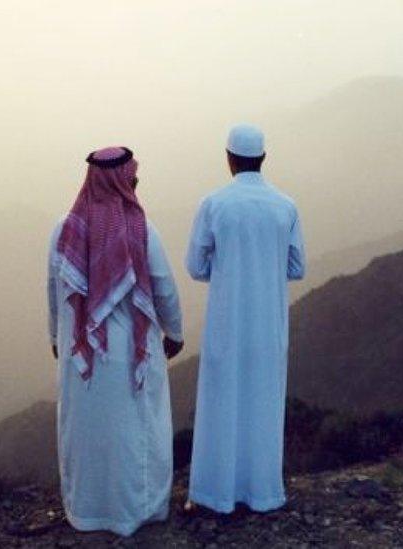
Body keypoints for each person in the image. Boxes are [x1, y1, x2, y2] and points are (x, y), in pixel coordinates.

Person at [47, 146, 184, 536]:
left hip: (81, 360)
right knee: (133, 434)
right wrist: (173, 333)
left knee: (87, 436)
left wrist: (56, 336)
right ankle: (138, 510)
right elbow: (164, 290)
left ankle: (87, 511)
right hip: (130, 355)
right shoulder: (142, 230)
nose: (136, 184)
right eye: (133, 178)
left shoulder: (64, 230)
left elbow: (54, 290)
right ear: (123, 181)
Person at [185, 124, 306, 513]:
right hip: (269, 323)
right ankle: (264, 493)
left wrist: (225, 272)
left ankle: (215, 494)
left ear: (229, 158)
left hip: (226, 321)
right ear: (264, 158)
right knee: (262, 402)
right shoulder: (285, 205)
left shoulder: (214, 204)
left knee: (222, 403)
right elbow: (297, 267)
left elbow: (195, 266)